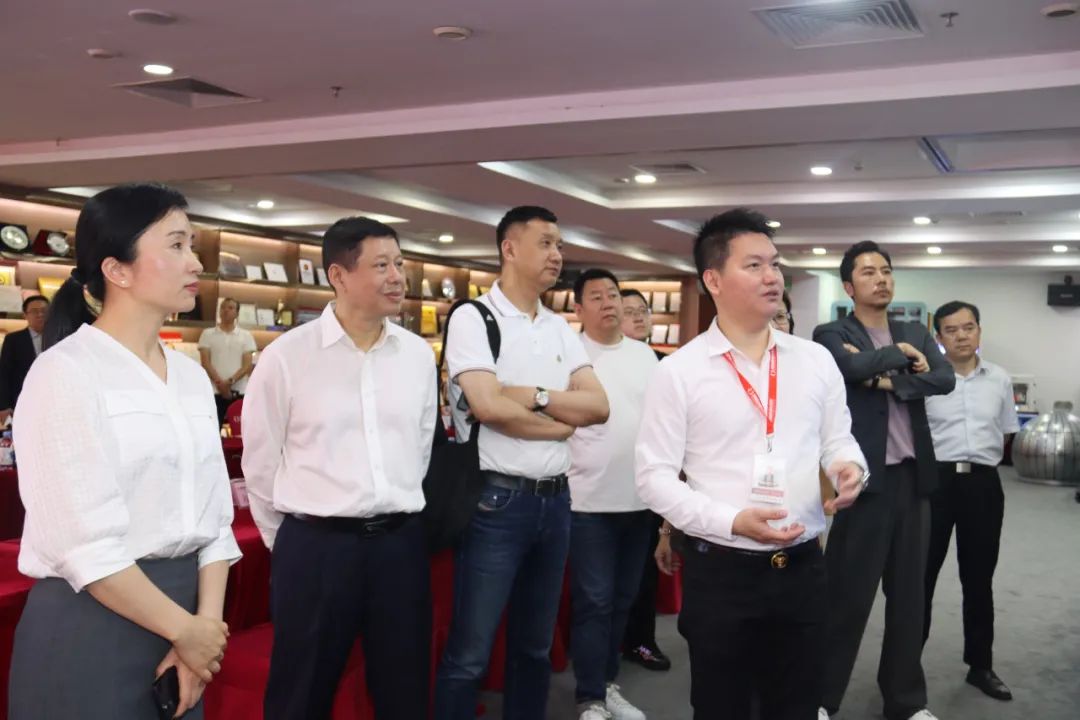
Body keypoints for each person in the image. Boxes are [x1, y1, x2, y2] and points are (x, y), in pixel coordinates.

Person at [9, 183, 240, 719]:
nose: (195, 262)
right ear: (117, 270)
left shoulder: (189, 375)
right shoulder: (64, 372)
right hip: (95, 618)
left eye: (192, 245)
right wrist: (188, 631)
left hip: (187, 619)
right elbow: (84, 545)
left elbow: (216, 521)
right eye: (176, 245)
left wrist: (203, 631)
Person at [636, 208, 868, 720]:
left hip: (803, 567)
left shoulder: (814, 360)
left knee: (798, 704)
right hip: (722, 573)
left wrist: (850, 468)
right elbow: (653, 478)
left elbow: (838, 439)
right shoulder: (680, 371)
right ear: (713, 280)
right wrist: (731, 521)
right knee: (722, 706)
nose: (772, 277)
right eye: (755, 265)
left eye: (776, 264)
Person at [242, 217, 436, 720]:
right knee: (301, 691)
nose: (397, 277)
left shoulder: (417, 355)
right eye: (381, 265)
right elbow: (259, 463)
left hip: (399, 546)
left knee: (405, 689)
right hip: (317, 548)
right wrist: (290, 542)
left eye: (399, 264)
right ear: (338, 275)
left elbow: (419, 448)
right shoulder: (287, 357)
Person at [434, 205, 609, 720]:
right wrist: (559, 419)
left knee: (535, 647)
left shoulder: (558, 327)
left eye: (560, 245)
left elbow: (598, 406)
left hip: (555, 502)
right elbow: (487, 406)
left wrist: (531, 396)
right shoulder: (474, 317)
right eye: (546, 243)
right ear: (509, 249)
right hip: (496, 502)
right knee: (470, 651)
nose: (557, 255)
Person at [814, 241, 955, 720]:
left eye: (887, 270)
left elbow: (944, 379)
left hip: (914, 481)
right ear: (849, 286)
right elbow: (848, 366)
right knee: (846, 598)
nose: (881, 279)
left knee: (910, 600)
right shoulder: (832, 332)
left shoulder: (915, 329)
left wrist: (882, 377)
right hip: (865, 484)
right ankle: (820, 700)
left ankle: (906, 702)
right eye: (869, 272)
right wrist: (901, 358)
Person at [567, 268, 658, 720]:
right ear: (578, 308)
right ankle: (589, 697)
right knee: (595, 602)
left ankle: (606, 684)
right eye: (597, 296)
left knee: (623, 600)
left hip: (639, 500)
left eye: (614, 294)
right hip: (588, 502)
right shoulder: (569, 355)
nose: (609, 303)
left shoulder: (645, 356)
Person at [923, 300, 1018, 701]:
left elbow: (1007, 430)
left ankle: (980, 665)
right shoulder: (927, 379)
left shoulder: (999, 379)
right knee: (921, 577)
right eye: (951, 330)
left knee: (978, 578)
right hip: (935, 484)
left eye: (968, 327)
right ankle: (904, 665)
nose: (961, 336)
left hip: (982, 485)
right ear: (939, 337)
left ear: (979, 330)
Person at [618, 287, 672, 672]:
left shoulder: (664, 364)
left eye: (643, 310)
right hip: (607, 480)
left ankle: (641, 641)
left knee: (644, 571)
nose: (639, 317)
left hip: (651, 480)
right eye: (629, 311)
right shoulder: (598, 363)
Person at [198, 297, 256, 426]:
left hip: (239, 391)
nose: (226, 310)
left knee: (240, 430)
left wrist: (230, 382)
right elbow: (205, 362)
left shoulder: (246, 336)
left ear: (237, 313)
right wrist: (220, 384)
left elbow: (247, 365)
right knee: (213, 428)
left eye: (230, 308)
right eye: (223, 307)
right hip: (213, 391)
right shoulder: (207, 334)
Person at [0, 294, 48, 425]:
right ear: (25, 315)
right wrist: (4, 406)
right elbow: (4, 373)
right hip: (22, 401)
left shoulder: (59, 339)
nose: (40, 315)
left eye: (44, 311)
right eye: (34, 311)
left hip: (51, 400)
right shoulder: (13, 340)